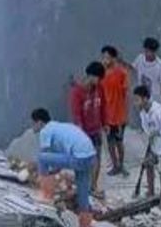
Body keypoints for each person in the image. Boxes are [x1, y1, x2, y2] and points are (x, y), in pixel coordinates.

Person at [30, 107, 97, 216]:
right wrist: (54, 171)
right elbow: (59, 157)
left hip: (78, 158)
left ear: (40, 122)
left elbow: (45, 155)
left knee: (41, 158)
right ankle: (85, 215)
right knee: (82, 187)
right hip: (90, 157)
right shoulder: (59, 127)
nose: (32, 126)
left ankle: (45, 194)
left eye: (33, 123)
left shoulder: (45, 131)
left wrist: (42, 175)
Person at [134, 85, 161, 208]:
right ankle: (151, 191)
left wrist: (158, 132)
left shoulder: (157, 111)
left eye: (137, 100)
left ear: (145, 99)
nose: (135, 103)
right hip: (155, 143)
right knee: (148, 164)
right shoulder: (143, 113)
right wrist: (152, 135)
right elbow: (148, 130)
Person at [69, 61, 107, 192]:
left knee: (97, 159)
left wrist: (105, 123)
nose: (99, 81)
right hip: (83, 131)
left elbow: (103, 107)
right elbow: (76, 113)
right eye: (97, 78)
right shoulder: (77, 92)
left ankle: (93, 185)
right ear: (90, 76)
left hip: (96, 129)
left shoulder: (99, 89)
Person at [100, 45, 130, 177]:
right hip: (107, 115)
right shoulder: (101, 74)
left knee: (119, 141)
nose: (105, 60)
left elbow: (125, 92)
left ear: (113, 58)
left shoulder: (122, 73)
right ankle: (115, 165)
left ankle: (121, 165)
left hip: (119, 114)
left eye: (107, 57)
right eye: (103, 57)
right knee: (109, 142)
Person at [132, 38, 161, 105]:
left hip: (155, 100)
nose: (148, 54)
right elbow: (132, 69)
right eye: (146, 51)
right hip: (141, 99)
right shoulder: (140, 58)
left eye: (150, 52)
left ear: (155, 52)